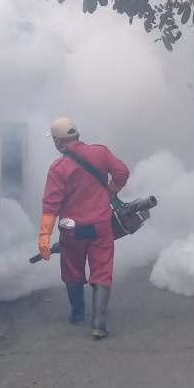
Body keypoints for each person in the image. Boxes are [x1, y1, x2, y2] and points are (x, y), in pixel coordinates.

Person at [38, 117, 129, 339]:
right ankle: (98, 323)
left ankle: (78, 314)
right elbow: (122, 173)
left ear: (58, 141)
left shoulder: (58, 168)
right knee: (102, 270)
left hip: (72, 230)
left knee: (72, 269)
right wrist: (109, 191)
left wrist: (44, 237)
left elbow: (51, 205)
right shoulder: (100, 153)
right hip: (101, 225)